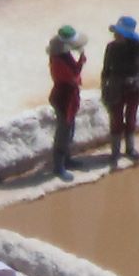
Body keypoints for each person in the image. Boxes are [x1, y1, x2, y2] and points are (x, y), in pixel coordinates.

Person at [100, 16, 139, 167]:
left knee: (131, 117)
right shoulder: (111, 48)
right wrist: (103, 88)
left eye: (119, 32)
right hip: (115, 87)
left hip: (134, 87)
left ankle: (130, 149)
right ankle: (115, 151)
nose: (115, 35)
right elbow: (106, 70)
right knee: (116, 118)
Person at [47, 24, 87, 181]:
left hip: (69, 97)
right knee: (63, 133)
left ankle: (67, 160)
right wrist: (81, 63)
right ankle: (58, 167)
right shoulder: (58, 61)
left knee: (69, 130)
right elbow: (72, 76)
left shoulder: (64, 55)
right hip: (63, 98)